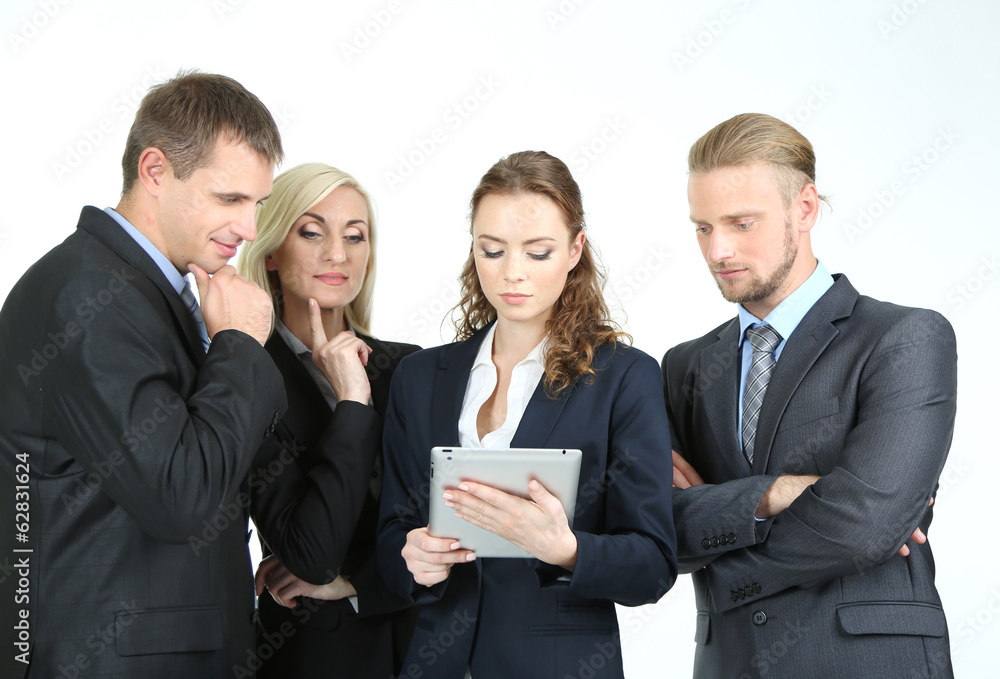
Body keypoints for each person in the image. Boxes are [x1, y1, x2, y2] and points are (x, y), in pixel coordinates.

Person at [0, 72, 286, 677]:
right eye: (230, 199)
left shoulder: (144, 288)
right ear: (155, 171)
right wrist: (235, 344)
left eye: (257, 204)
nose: (250, 229)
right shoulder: (89, 295)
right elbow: (180, 497)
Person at [663, 113, 957, 678]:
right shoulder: (685, 367)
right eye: (702, 227)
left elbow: (864, 527)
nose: (718, 250)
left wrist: (723, 541)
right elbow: (658, 528)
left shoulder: (905, 339)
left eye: (741, 223)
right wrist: (775, 492)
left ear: (805, 208)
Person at [376, 150, 677, 679]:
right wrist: (411, 557)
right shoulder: (420, 377)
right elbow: (391, 532)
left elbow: (652, 565)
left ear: (575, 249)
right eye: (492, 250)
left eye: (538, 253)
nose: (512, 273)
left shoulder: (625, 378)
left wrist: (565, 549)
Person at [236, 162, 420, 678]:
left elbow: (455, 522)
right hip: (313, 656)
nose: (337, 253)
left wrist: (360, 580)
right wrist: (353, 403)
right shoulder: (246, 378)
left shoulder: (411, 369)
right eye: (311, 232)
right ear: (271, 251)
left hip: (423, 646)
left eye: (355, 236)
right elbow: (311, 553)